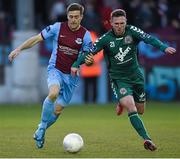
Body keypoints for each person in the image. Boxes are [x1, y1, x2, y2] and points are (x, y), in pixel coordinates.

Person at [71, 9, 176, 151]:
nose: (120, 26)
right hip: (119, 79)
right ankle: (147, 139)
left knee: (140, 110)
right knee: (131, 108)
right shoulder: (105, 39)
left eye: (122, 23)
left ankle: (121, 102)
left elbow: (148, 38)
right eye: (116, 24)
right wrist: (76, 65)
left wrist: (163, 47)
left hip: (136, 77)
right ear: (111, 24)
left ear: (126, 22)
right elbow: (89, 52)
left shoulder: (132, 31)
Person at [8, 3, 92, 149]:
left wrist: (89, 62)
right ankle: (41, 129)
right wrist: (19, 48)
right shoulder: (57, 28)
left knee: (58, 111)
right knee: (53, 93)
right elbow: (36, 39)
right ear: (67, 16)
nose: (73, 20)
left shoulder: (85, 35)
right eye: (71, 17)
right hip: (55, 70)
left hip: (72, 76)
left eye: (76, 17)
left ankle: (41, 129)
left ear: (81, 17)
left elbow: (87, 58)